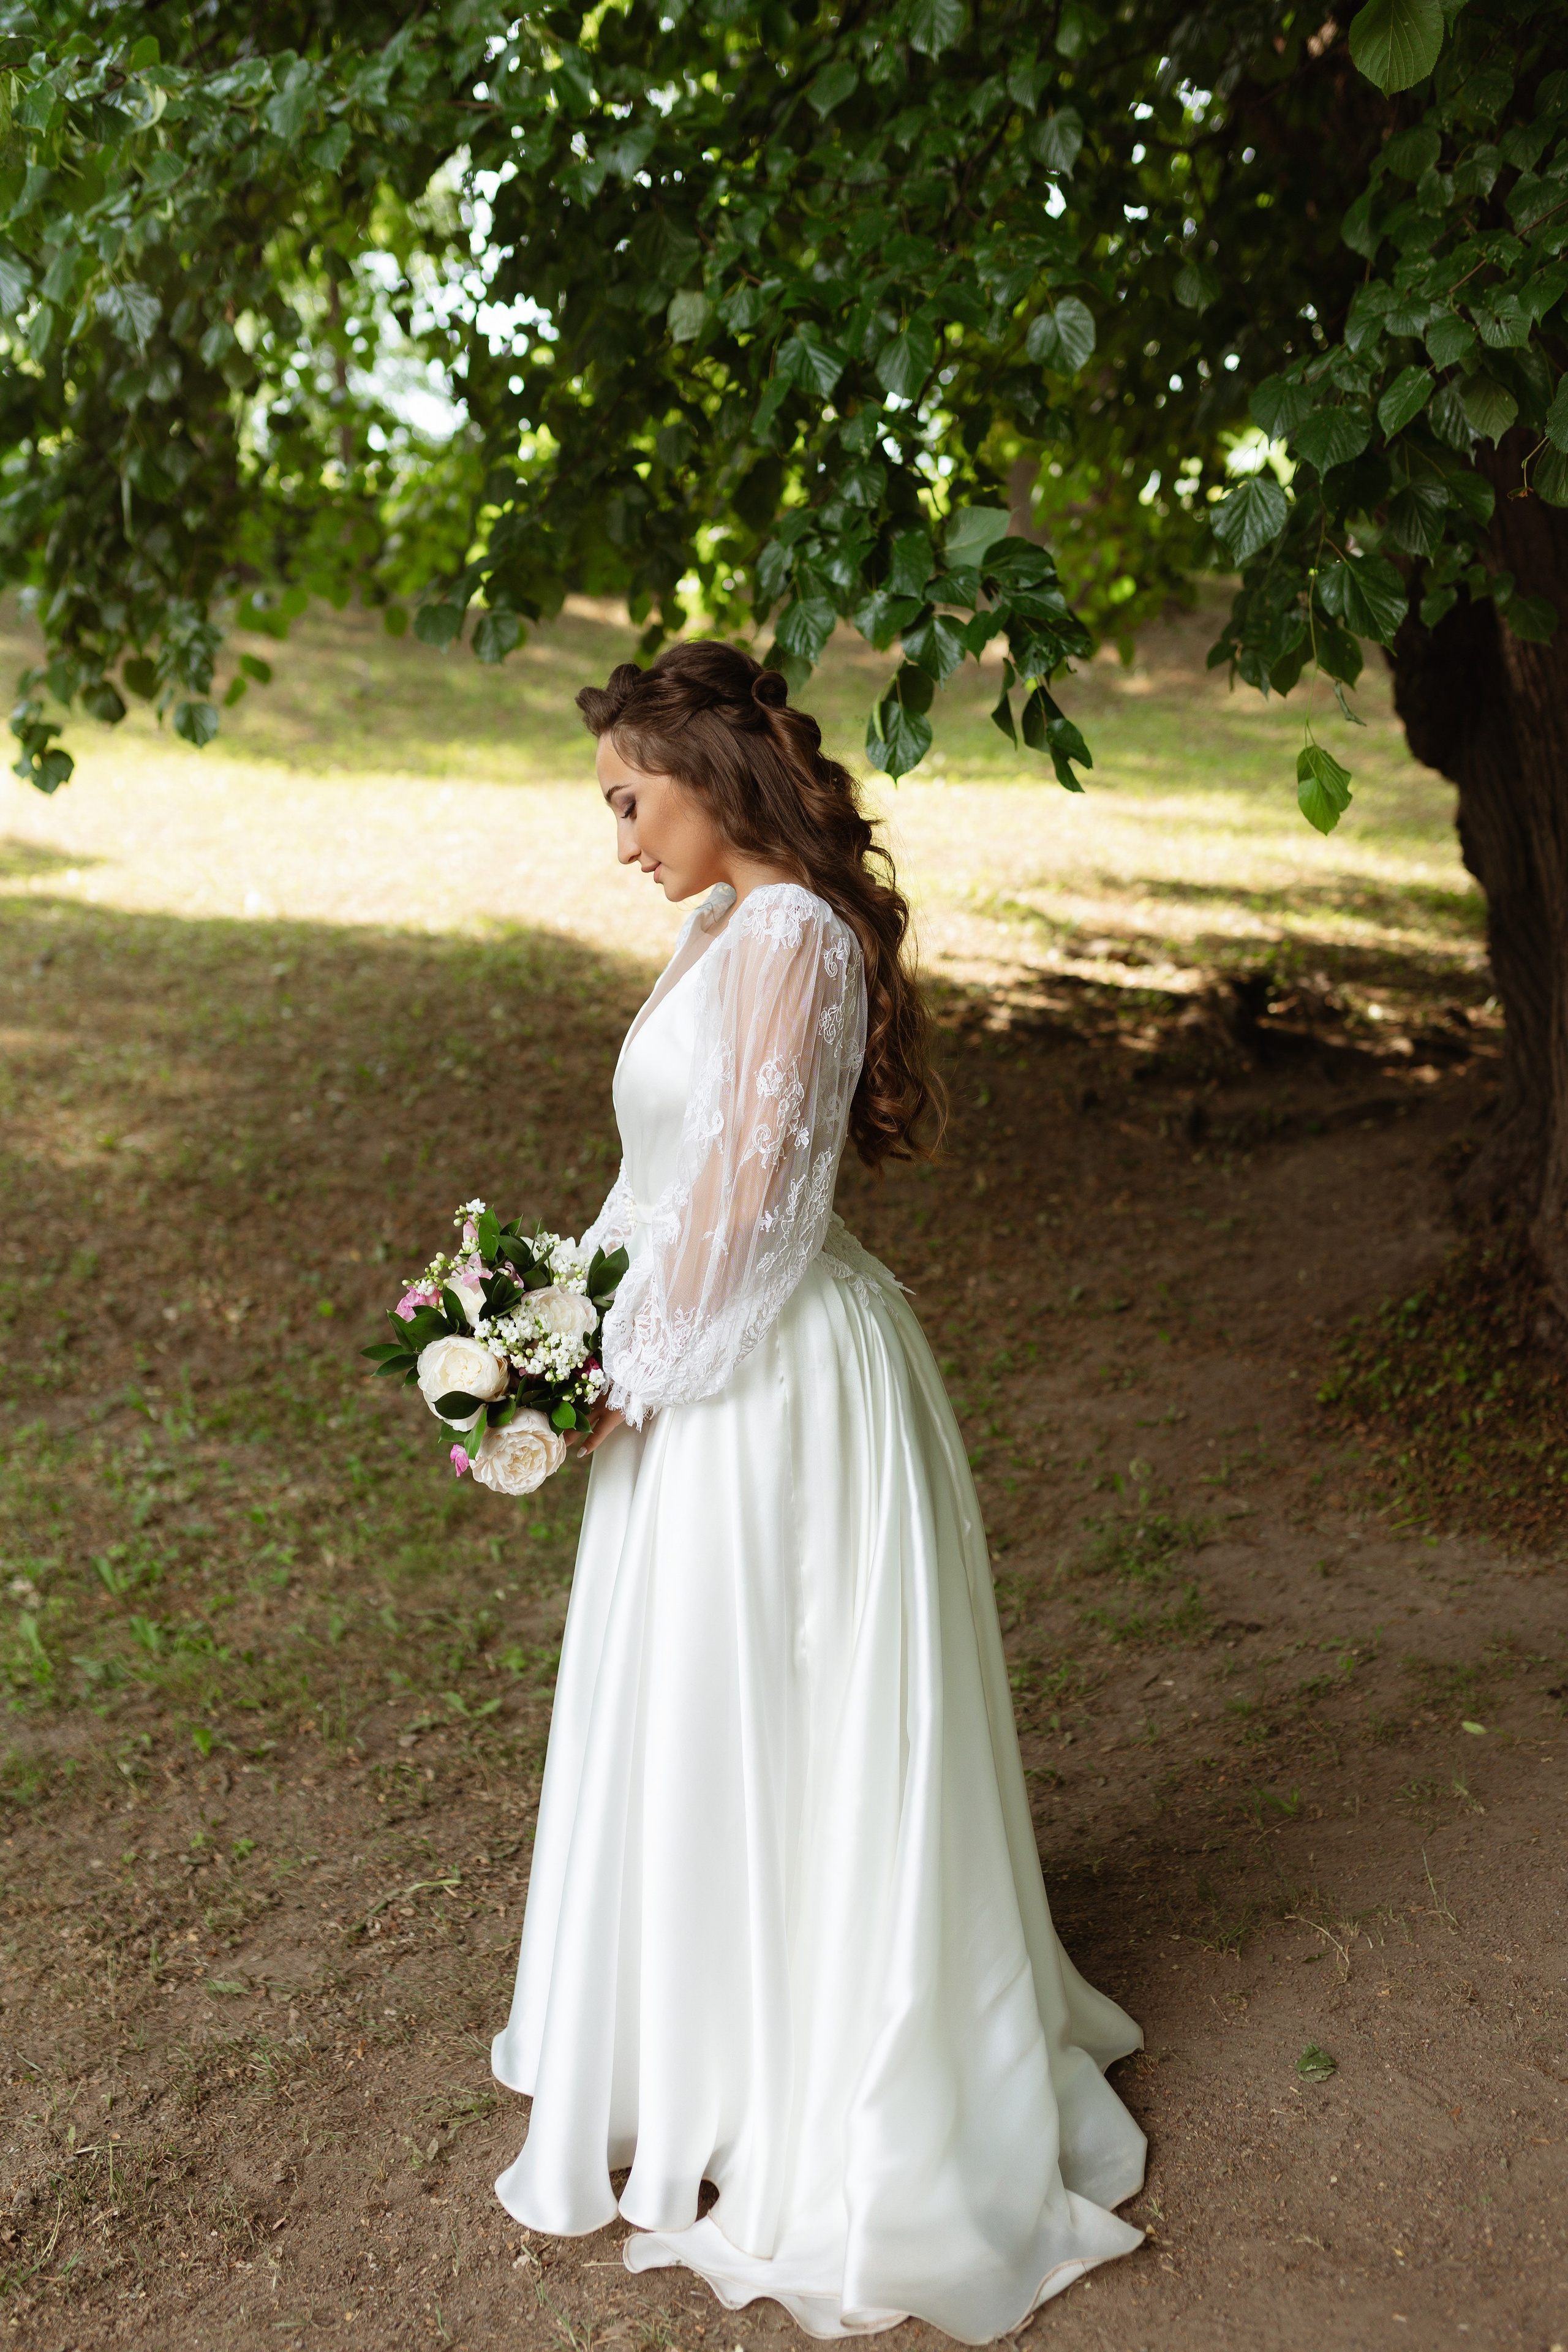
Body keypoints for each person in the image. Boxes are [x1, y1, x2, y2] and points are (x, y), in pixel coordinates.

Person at [489, 641, 1146, 2341]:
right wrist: (550, 1340)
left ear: (712, 777)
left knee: (784, 1709)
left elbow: (755, 1217)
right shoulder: (721, 928)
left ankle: (817, 2064)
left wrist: (613, 1390)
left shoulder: (791, 936)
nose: (623, 842)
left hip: (772, 1388)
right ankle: (700, 2035)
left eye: (633, 802)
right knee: (710, 1716)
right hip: (694, 1360)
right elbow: (665, 1186)